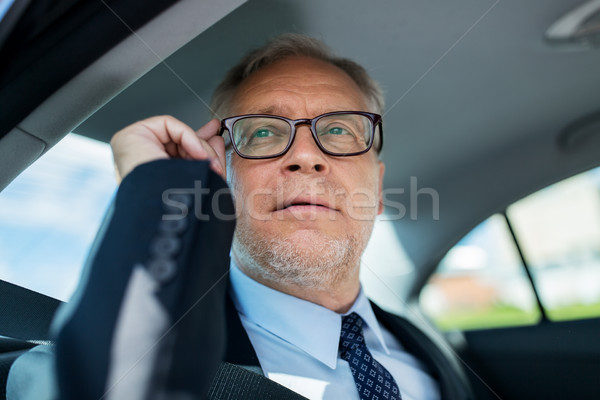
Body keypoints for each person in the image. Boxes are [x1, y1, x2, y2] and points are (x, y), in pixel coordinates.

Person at [7, 34, 473, 400]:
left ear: (377, 190)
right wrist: (156, 194)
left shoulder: (429, 349)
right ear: (222, 182)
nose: (307, 156)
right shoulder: (149, 351)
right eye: (265, 132)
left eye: (337, 129)